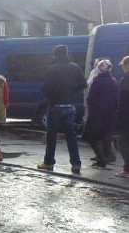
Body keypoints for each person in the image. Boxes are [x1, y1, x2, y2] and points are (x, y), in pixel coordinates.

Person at [38, 44, 88, 173]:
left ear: (55, 55)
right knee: (71, 136)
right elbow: (83, 84)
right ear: (66, 53)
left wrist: (51, 97)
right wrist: (71, 91)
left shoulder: (52, 69)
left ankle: (48, 162)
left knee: (52, 135)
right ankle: (76, 164)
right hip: (70, 105)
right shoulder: (75, 68)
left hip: (55, 105)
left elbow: (46, 88)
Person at [80, 59, 118, 169]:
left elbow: (91, 98)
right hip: (109, 113)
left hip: (96, 113)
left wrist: (90, 107)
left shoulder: (97, 81)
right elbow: (116, 99)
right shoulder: (113, 81)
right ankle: (106, 157)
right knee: (105, 137)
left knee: (91, 137)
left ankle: (101, 159)